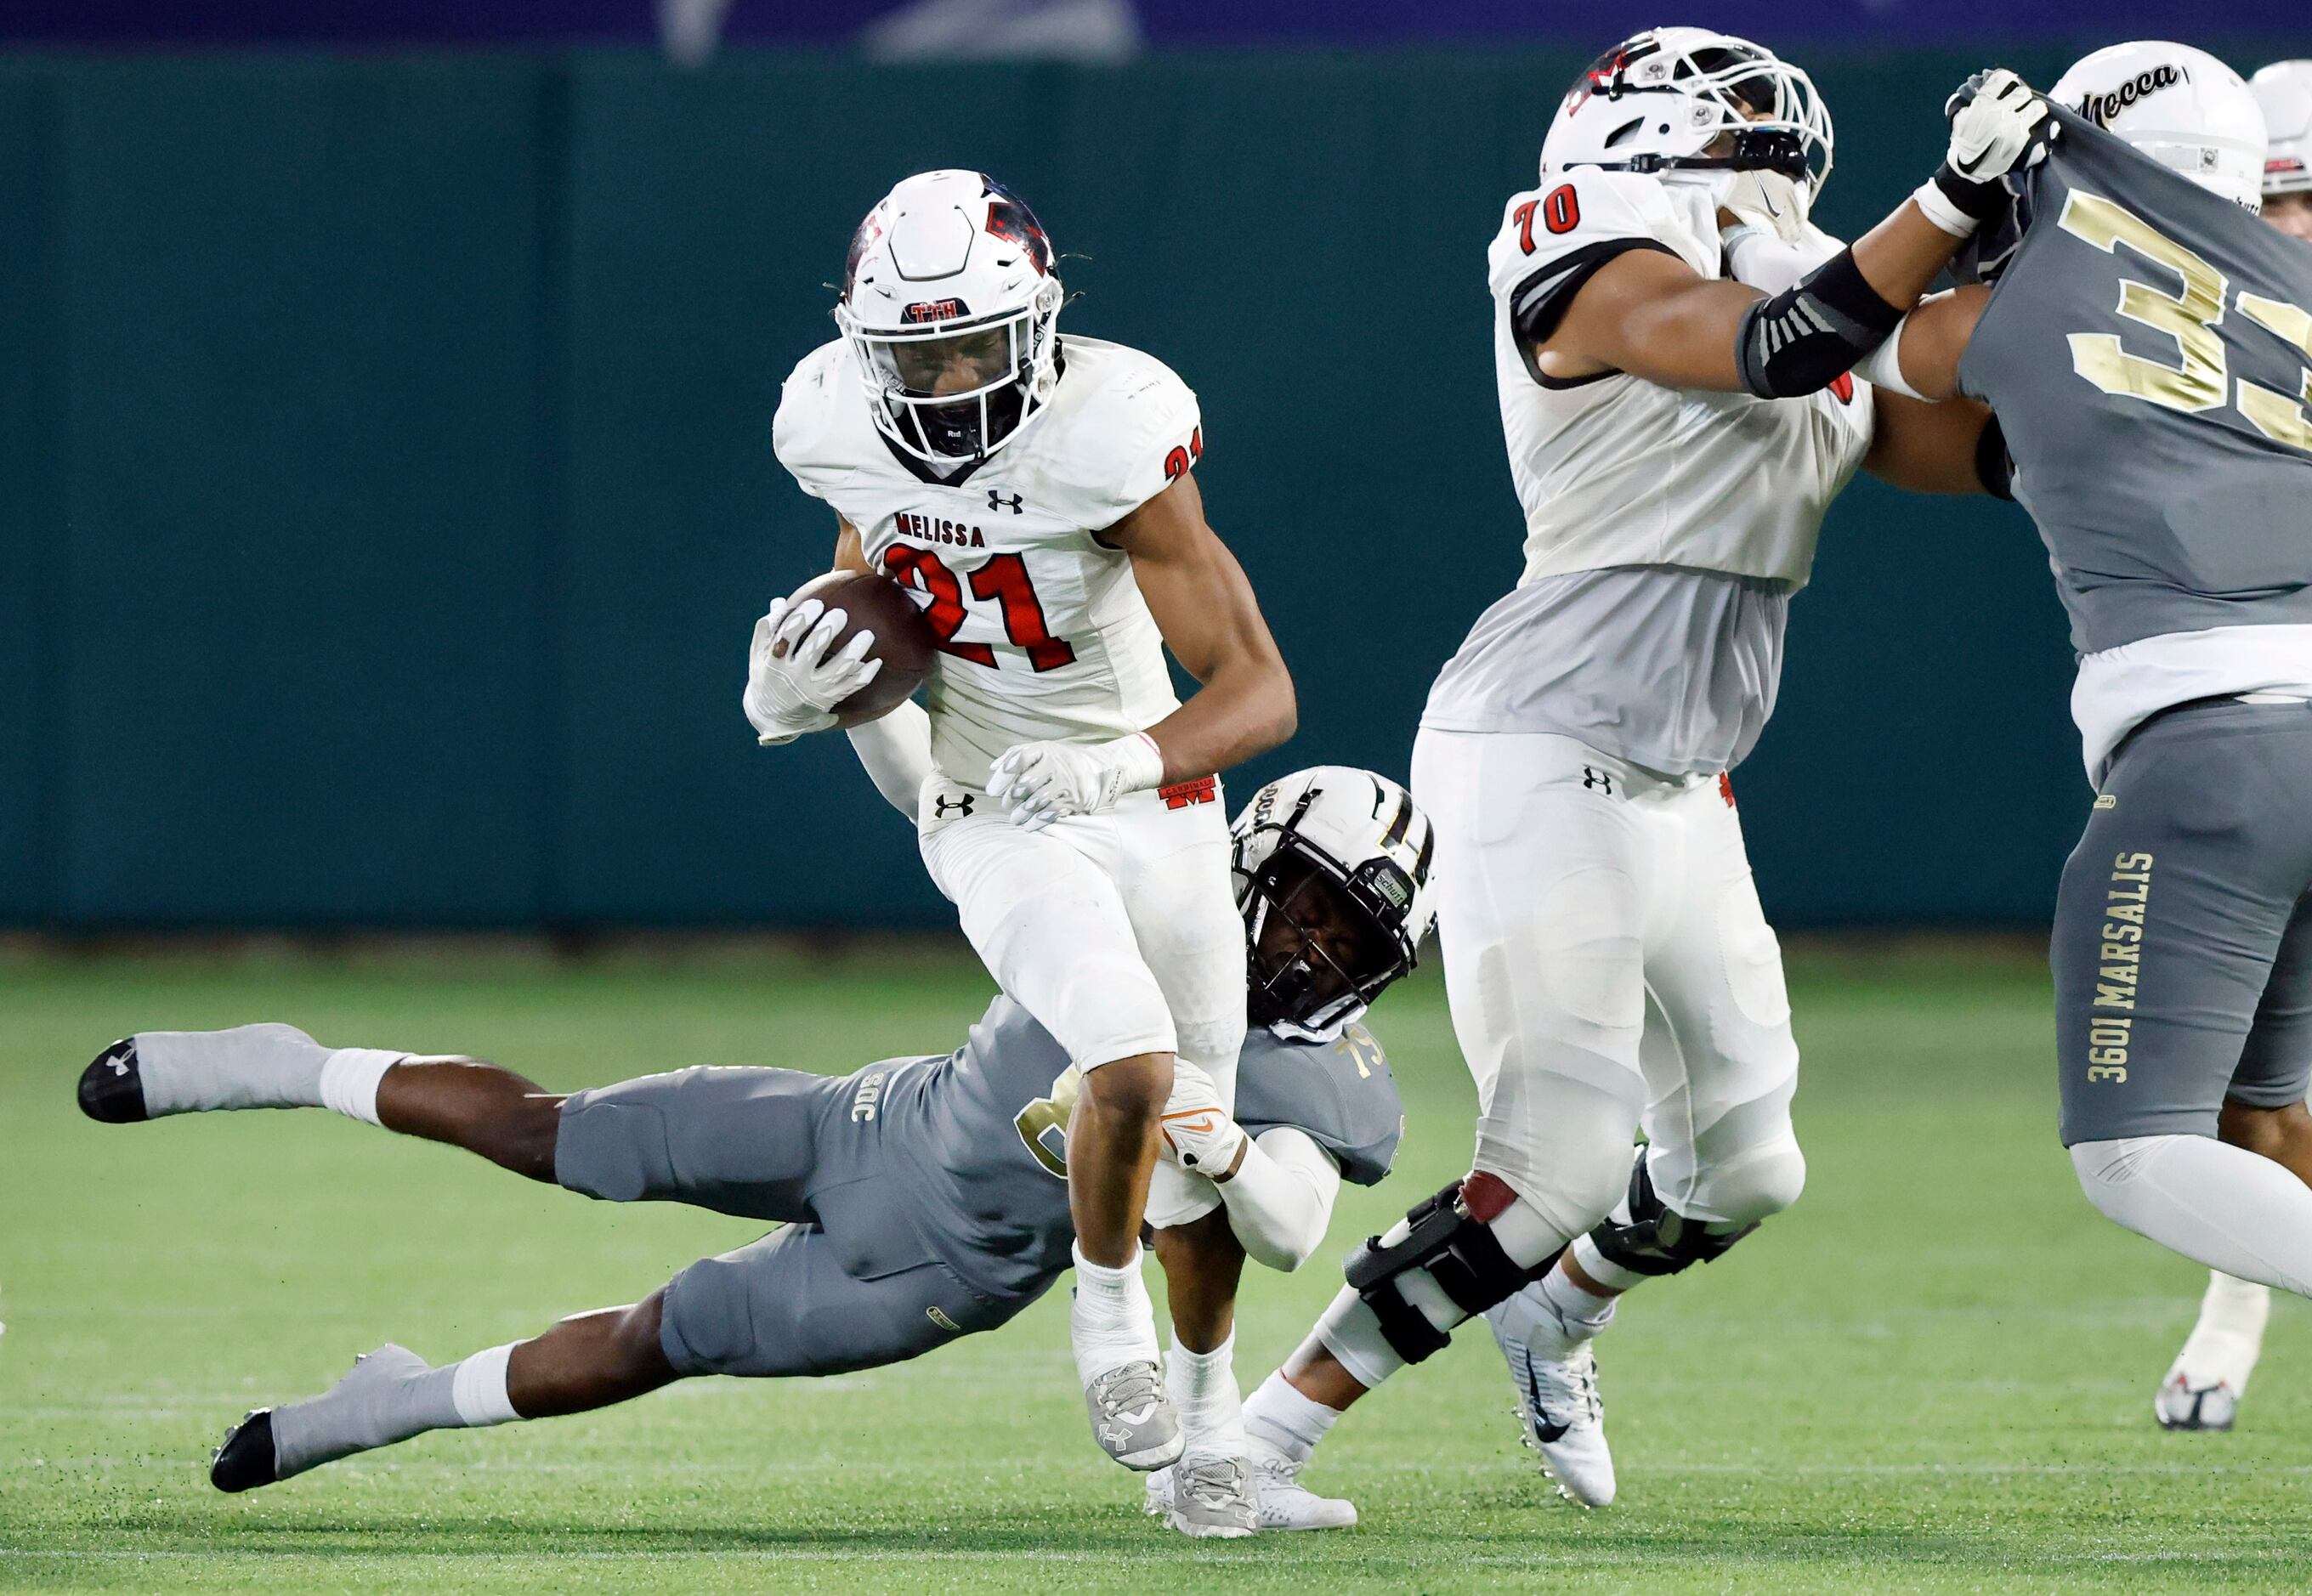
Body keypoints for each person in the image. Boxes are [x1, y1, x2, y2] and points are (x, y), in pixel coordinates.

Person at [1227, 28, 2048, 1510]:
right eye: (1746, 142)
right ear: (1653, 135)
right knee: (1550, 1170)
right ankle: (1255, 1442)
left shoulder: (1795, 271)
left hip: (1684, 774)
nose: (1775, 172)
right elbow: (1765, 345)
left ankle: (1557, 1312)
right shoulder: (1588, 245)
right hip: (1543, 742)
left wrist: (2091, 330)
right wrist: (1942, 203)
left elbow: (1952, 432)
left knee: (1746, 1169)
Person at [75, 764, 1433, 1539]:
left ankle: (384, 1403)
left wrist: (1236, 1153)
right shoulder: (1141, 895)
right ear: (1250, 862)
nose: (1315, 947)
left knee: (664, 1333)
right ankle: (278, 1062)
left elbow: (1294, 1225)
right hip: (866, 1116)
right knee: (564, 1137)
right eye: (1312, 903)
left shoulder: (1320, 1074)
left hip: (933, 1277)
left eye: (1352, 941)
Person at [746, 168, 1296, 1518]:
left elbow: (1258, 689)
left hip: (1144, 792)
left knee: (1196, 1131)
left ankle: (1214, 1428)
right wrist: (795, 697)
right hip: (991, 798)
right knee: (1124, 1050)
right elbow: (868, 597)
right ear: (862, 346)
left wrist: (1118, 754)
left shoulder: (1106, 437)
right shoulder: (832, 423)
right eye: (912, 352)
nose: (942, 379)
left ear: (1040, 326)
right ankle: (1106, 1323)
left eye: (971, 345)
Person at [1847, 43, 2312, 1406]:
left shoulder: (2044, 285)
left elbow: (1817, 335)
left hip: (2213, 749)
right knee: (2263, 1110)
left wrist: (1941, 205)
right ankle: (2228, 1341)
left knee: (2130, 1148)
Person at [2150, 53, 2312, 1434]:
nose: (2287, 225)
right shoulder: (2184, 325)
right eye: (2269, 196)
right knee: (2246, 1081)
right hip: (2252, 725)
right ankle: (2239, 1296)